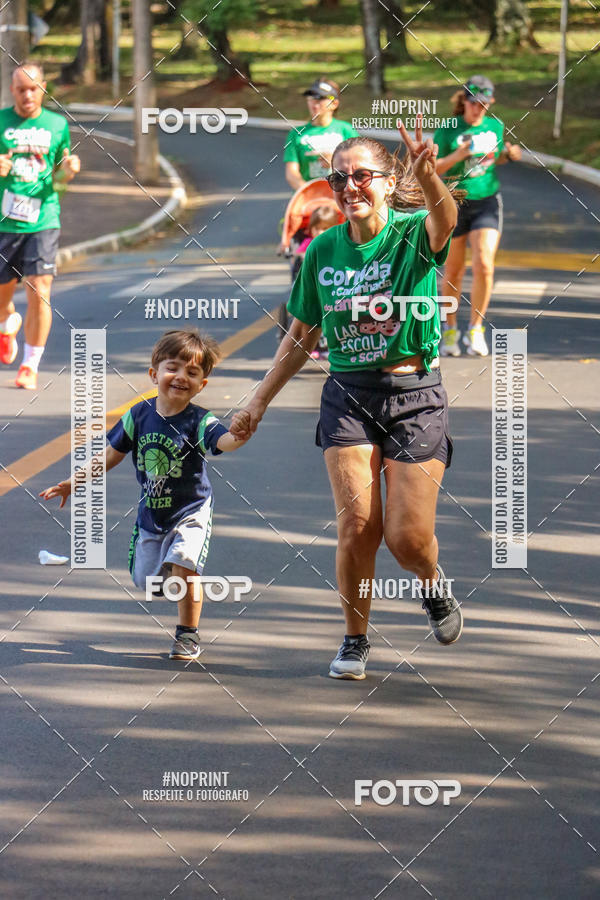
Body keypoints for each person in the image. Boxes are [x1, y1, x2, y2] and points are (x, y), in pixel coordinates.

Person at [232, 124, 463, 681]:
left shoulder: (411, 235)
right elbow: (301, 333)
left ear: (386, 183)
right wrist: (257, 401)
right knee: (358, 526)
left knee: (407, 540)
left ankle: (432, 583)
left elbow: (446, 220)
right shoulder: (323, 251)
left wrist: (428, 172)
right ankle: (355, 639)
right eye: (339, 177)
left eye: (362, 175)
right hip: (348, 394)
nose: (349, 186)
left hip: (414, 395)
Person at [40, 330, 251, 661]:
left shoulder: (200, 419)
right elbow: (110, 455)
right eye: (173, 368)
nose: (181, 376)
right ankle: (161, 568)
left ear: (202, 384)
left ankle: (187, 634)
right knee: (146, 582)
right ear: (154, 374)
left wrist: (239, 435)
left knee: (185, 564)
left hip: (192, 509)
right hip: (152, 514)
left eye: (192, 372)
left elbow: (222, 441)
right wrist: (73, 481)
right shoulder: (138, 416)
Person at [0, 61, 80, 390]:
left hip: (43, 218)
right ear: (12, 91)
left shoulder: (57, 125)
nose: (27, 95)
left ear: (43, 88)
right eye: (21, 89)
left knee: (39, 288)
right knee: (3, 297)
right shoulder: (1, 121)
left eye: (33, 88)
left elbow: (59, 180)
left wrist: (68, 171)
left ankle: (30, 365)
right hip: (5, 222)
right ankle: (7, 321)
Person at [434, 75, 521, 358]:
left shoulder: (495, 126)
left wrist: (509, 155)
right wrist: (459, 154)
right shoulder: (448, 130)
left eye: (484, 105)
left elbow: (494, 158)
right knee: (454, 271)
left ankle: (476, 328)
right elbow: (434, 169)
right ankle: (450, 330)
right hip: (455, 202)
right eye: (474, 104)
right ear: (464, 100)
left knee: (484, 263)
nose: (478, 110)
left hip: (486, 201)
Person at [284, 77, 358, 191]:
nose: (315, 102)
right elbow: (291, 173)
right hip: (310, 199)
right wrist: (310, 193)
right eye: (311, 97)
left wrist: (337, 163)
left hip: (342, 196)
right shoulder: (296, 134)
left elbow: (360, 166)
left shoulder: (346, 130)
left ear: (334, 103)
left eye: (320, 98)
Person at [294, 205, 339, 360]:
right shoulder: (310, 244)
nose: (321, 232)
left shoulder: (336, 243)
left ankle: (332, 345)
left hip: (332, 287)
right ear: (311, 229)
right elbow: (299, 253)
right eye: (317, 228)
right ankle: (315, 347)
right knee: (312, 318)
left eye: (326, 228)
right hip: (313, 286)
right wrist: (303, 256)